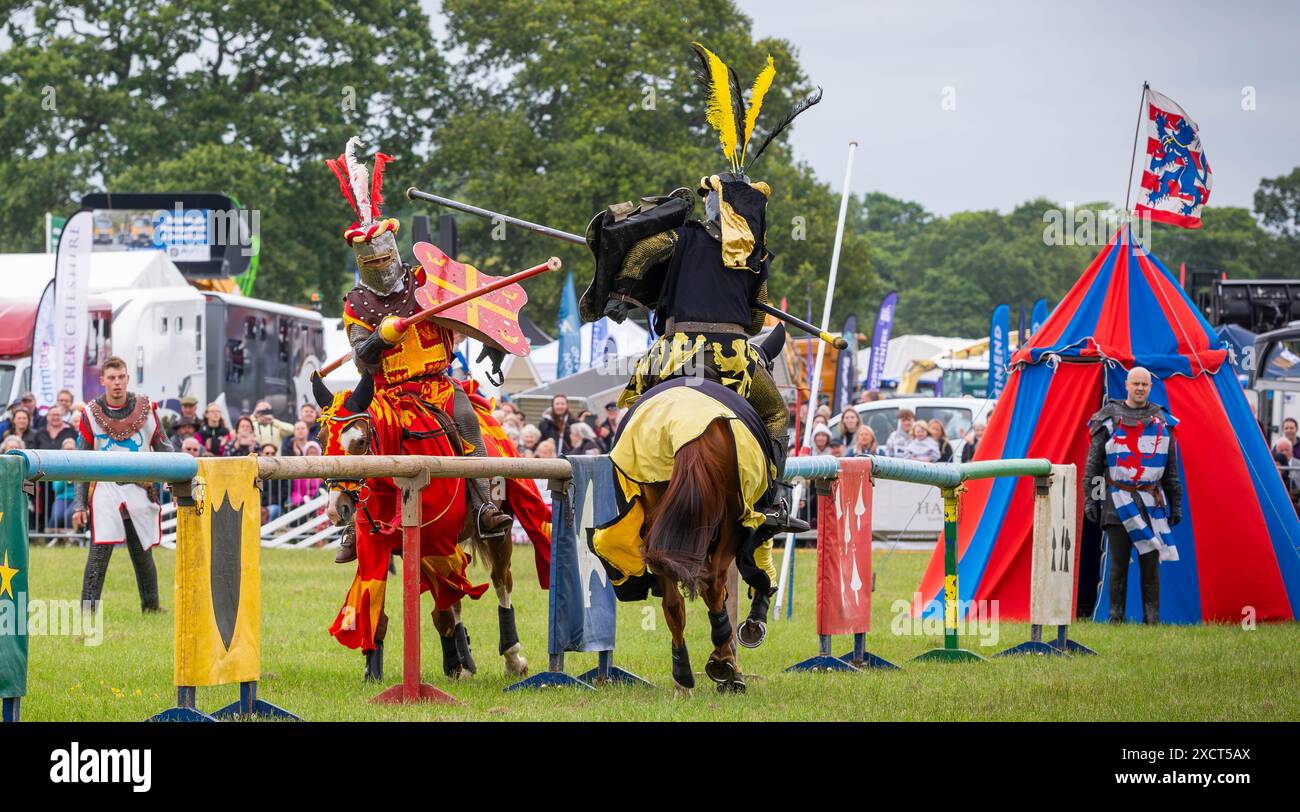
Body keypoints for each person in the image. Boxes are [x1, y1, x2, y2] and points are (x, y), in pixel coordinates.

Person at [579, 45, 822, 613]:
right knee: (775, 415)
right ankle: (772, 503)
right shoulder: (755, 259)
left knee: (633, 411)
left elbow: (637, 257)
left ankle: (626, 502)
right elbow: (759, 318)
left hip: (676, 356)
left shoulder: (678, 237)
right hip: (734, 356)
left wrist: (622, 290)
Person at [330, 136, 513, 539]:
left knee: (467, 421)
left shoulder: (427, 281)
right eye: (371, 262)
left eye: (384, 259)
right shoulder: (357, 304)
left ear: (394, 253)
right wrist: (384, 335)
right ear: (362, 263)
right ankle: (355, 525)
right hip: (388, 393)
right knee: (355, 437)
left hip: (436, 387)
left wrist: (493, 344)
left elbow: (472, 315)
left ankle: (483, 505)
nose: (379, 266)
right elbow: (363, 360)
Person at [1084, 366, 1183, 625]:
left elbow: (1170, 470)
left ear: (1150, 387)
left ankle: (1152, 621)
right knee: (1117, 566)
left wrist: (1176, 503)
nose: (1140, 388)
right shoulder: (1107, 419)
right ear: (1126, 385)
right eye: (1136, 383)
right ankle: (1116, 619)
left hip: (1151, 503)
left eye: (1145, 385)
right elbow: (1094, 466)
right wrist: (1091, 498)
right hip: (1118, 500)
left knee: (1150, 564)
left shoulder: (1162, 421)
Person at [72, 356, 170, 614]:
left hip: (139, 488)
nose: (117, 383)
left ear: (127, 378)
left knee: (142, 551)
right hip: (106, 488)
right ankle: (87, 609)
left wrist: (177, 475)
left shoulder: (147, 409)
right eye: (112, 378)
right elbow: (81, 461)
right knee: (99, 550)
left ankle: (151, 607)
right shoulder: (91, 415)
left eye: (121, 377)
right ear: (102, 380)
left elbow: (164, 447)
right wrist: (79, 503)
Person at [47, 437, 78, 528]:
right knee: (57, 516)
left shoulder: (81, 463)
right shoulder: (58, 465)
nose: (69, 452)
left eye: (71, 449)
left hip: (76, 498)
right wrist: (65, 476)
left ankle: (71, 539)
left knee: (68, 516)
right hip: (61, 497)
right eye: (67, 449)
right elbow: (56, 488)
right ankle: (50, 539)